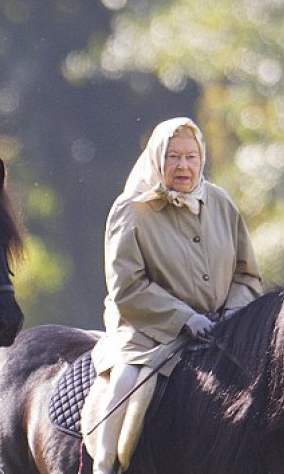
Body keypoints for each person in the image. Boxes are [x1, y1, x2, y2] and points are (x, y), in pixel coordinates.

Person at [84, 117, 262, 474]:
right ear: (157, 159)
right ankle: (105, 467)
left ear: (202, 159)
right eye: (173, 157)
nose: (183, 165)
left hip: (221, 330)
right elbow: (127, 288)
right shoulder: (131, 210)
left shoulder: (221, 202)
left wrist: (233, 315)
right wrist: (185, 318)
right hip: (146, 333)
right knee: (122, 393)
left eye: (191, 157)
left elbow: (247, 274)